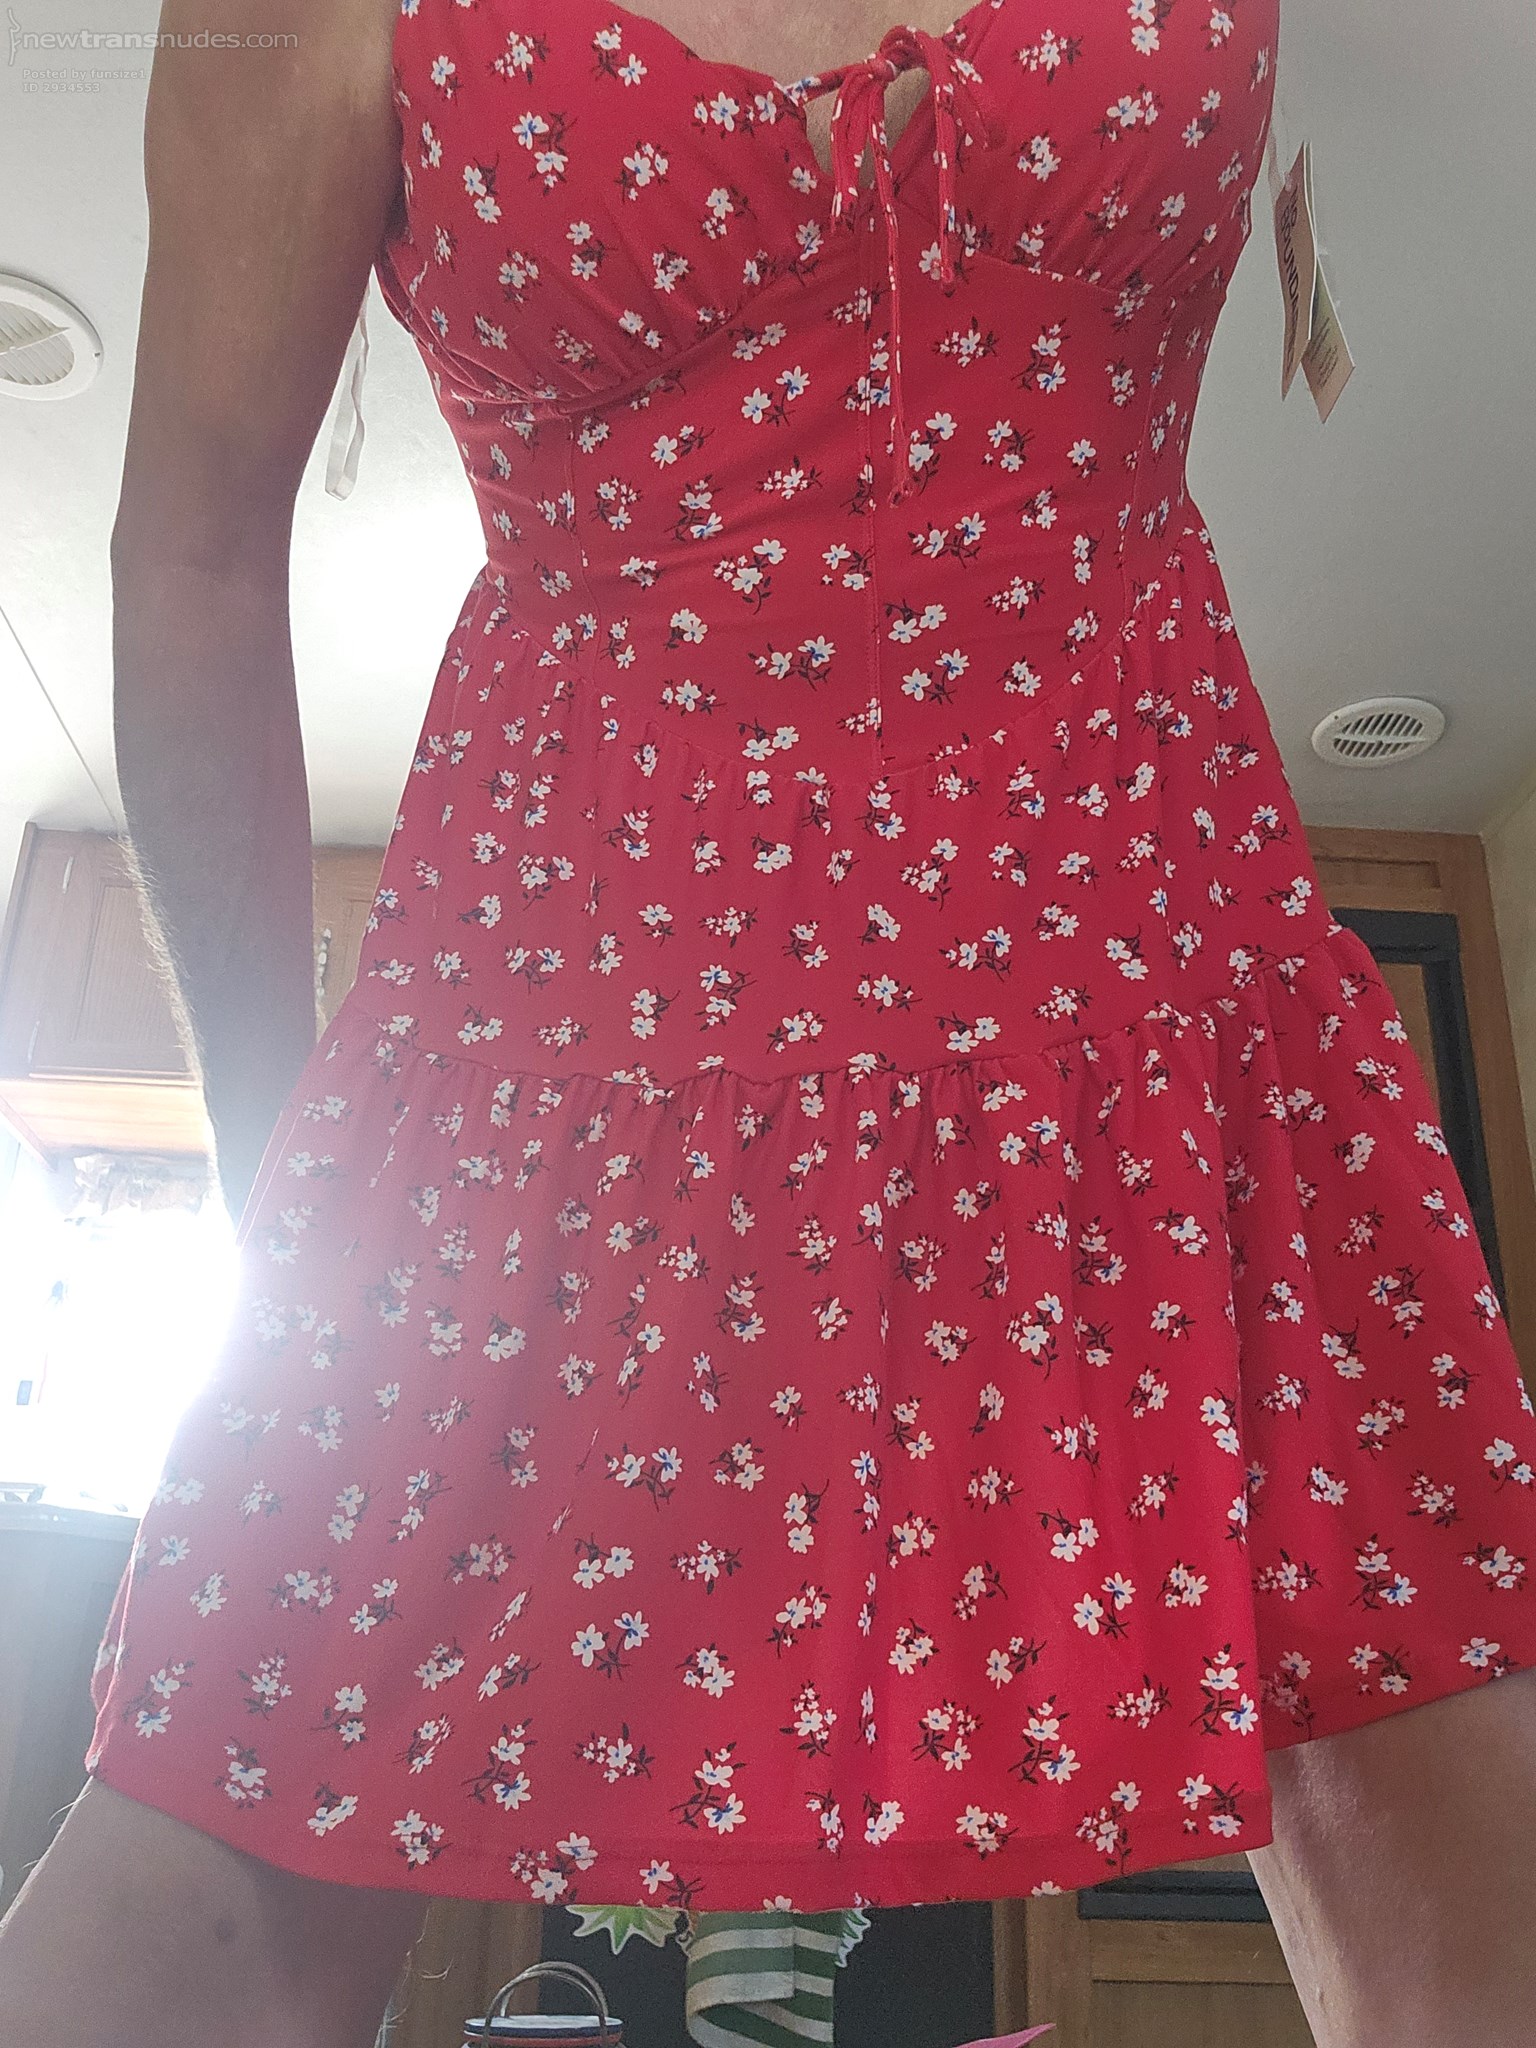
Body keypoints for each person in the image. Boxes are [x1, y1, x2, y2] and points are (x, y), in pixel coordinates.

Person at [4, 0, 1536, 2043]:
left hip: (1153, 1012)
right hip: (556, 1064)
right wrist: (301, 1221)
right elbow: (191, 565)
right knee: (203, 1888)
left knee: (1468, 1873)